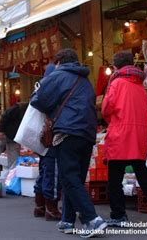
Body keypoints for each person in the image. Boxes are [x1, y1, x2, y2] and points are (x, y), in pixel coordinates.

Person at [31, 48, 106, 238]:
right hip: (88, 133)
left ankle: (92, 219)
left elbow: (37, 99)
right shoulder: (85, 80)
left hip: (67, 132)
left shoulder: (58, 76)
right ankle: (67, 220)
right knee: (75, 178)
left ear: (59, 62)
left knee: (69, 177)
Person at [102, 52, 147, 228]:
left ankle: (119, 215)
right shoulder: (140, 84)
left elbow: (106, 109)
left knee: (114, 178)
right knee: (143, 174)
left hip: (120, 135)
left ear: (116, 67)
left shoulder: (116, 83)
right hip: (138, 135)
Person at [33, 64, 62, 221]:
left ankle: (40, 206)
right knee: (52, 172)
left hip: (41, 137)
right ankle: (51, 209)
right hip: (51, 137)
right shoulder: (51, 91)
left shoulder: (39, 88)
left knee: (44, 171)